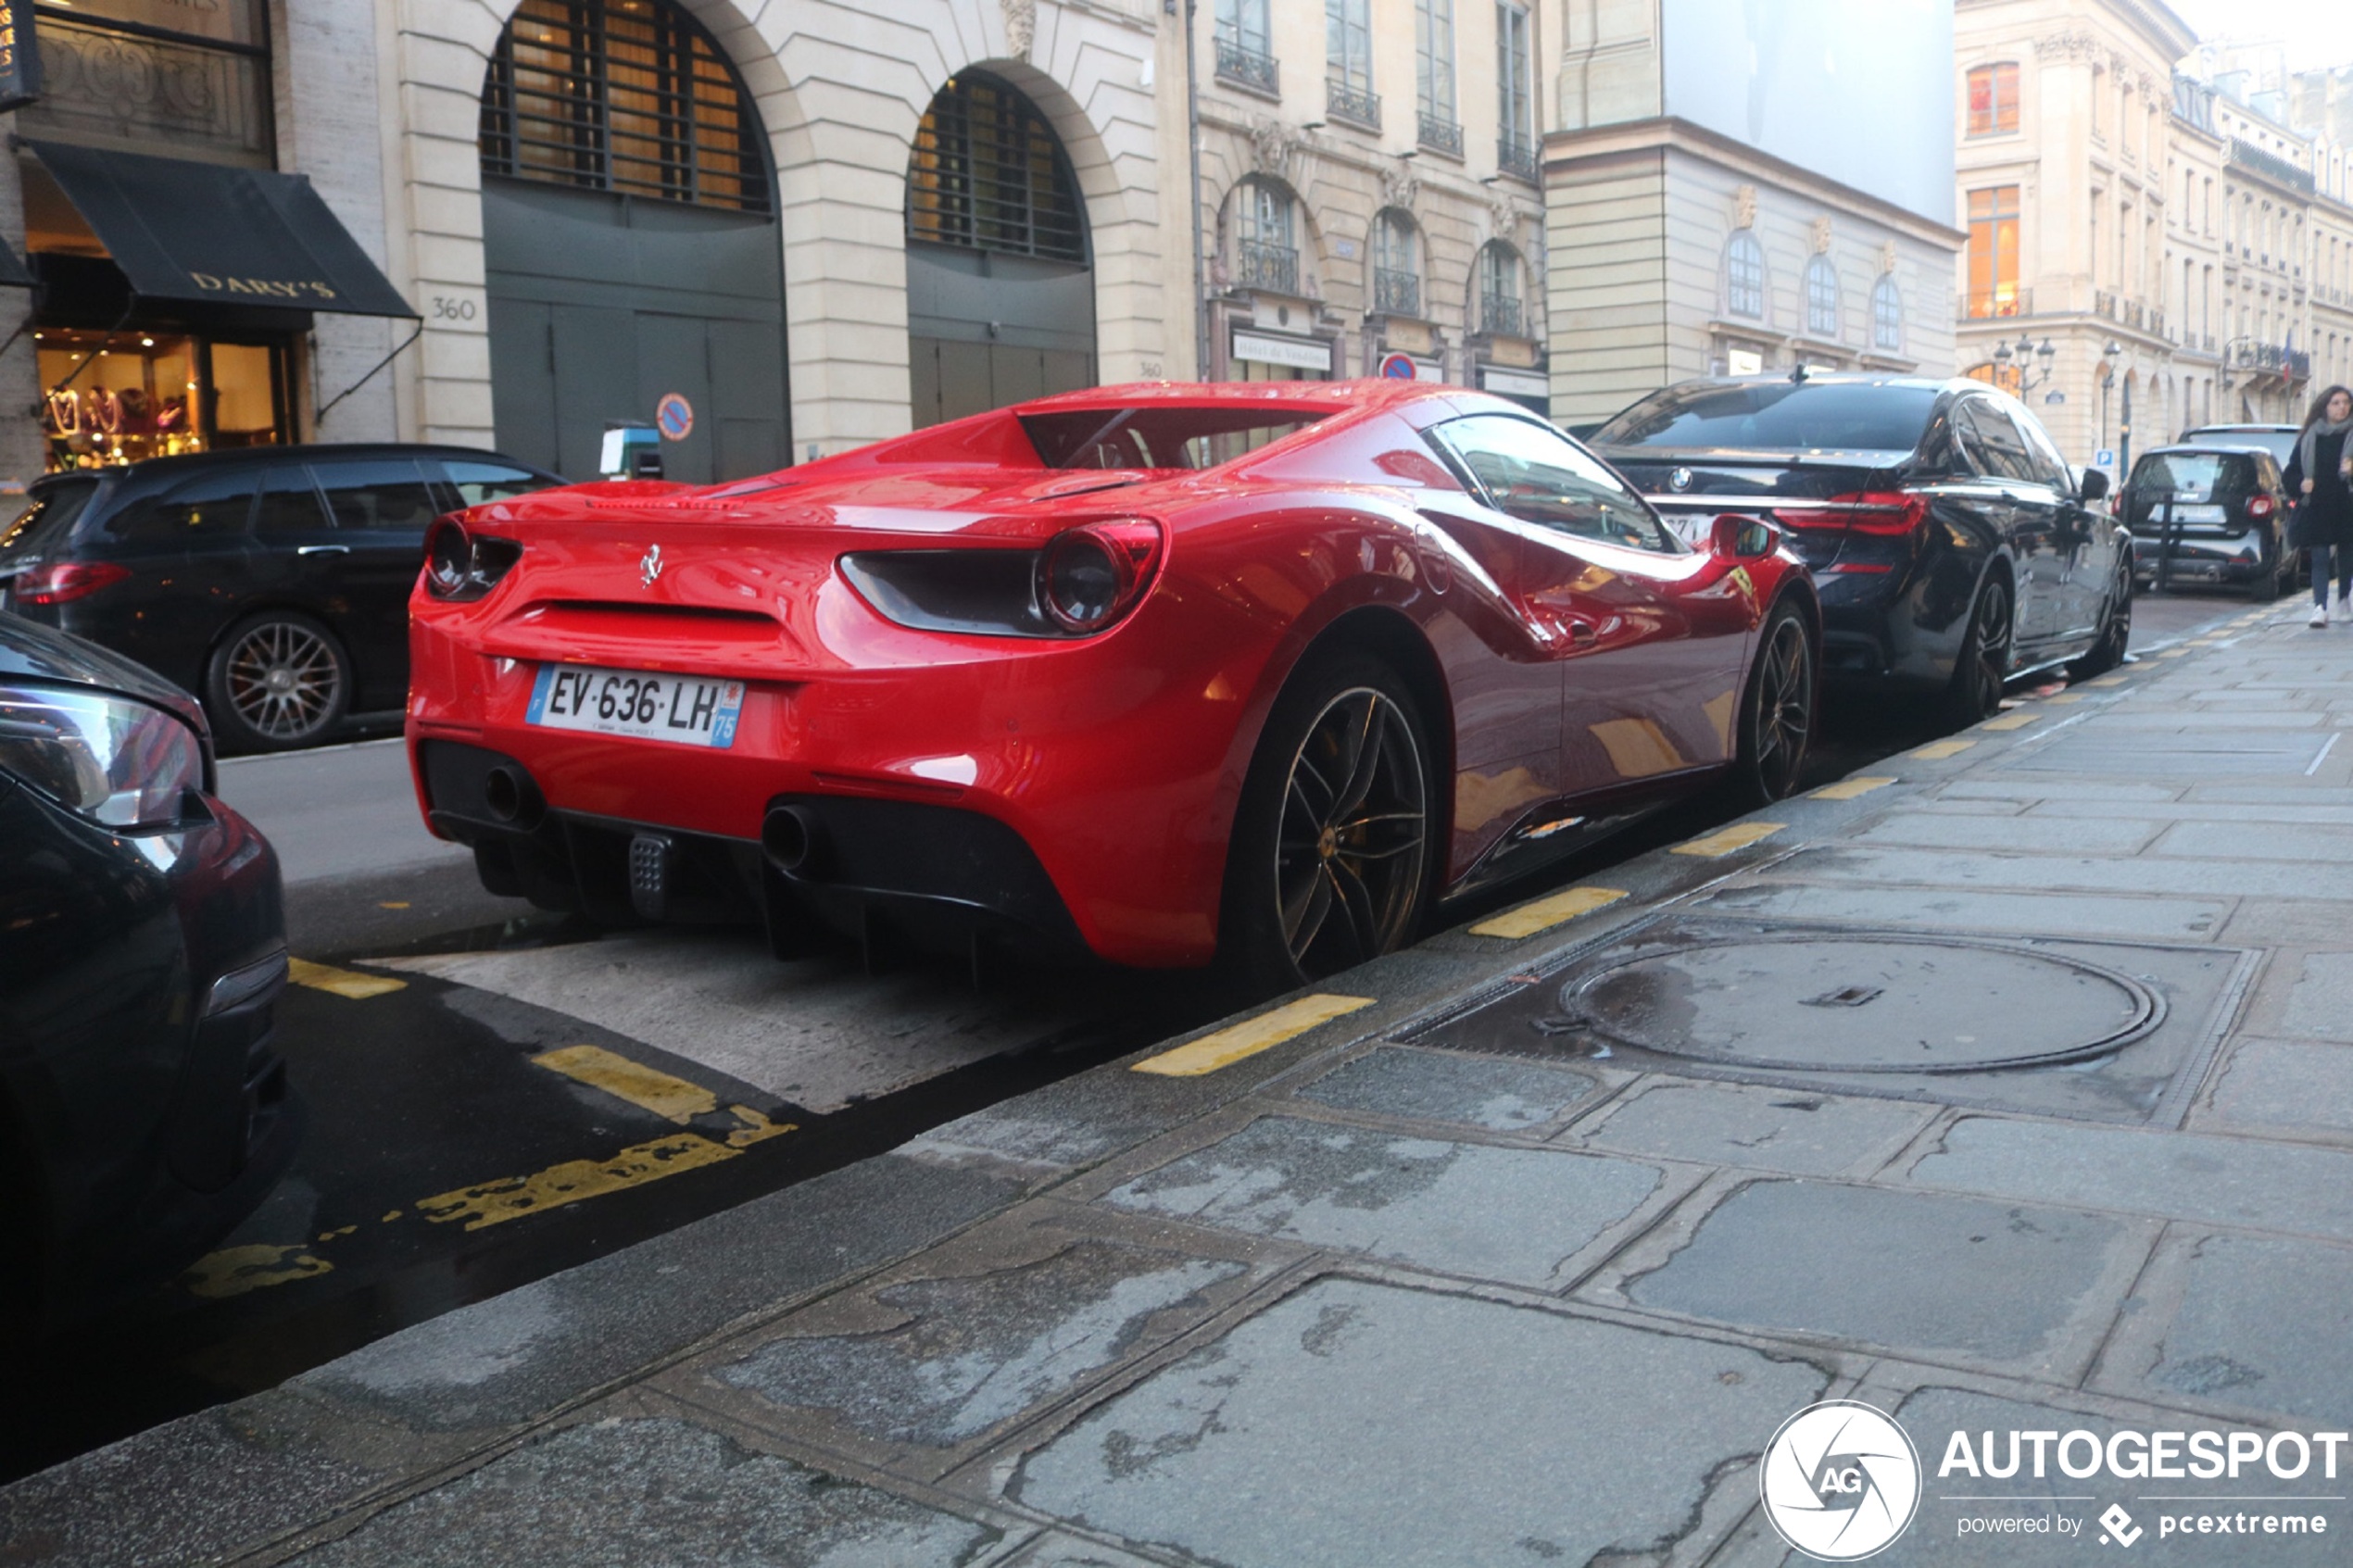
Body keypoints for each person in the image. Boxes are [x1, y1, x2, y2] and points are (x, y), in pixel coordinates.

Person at [2284, 383, 2353, 627]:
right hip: (2317, 506)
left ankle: (2344, 599)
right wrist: (2301, 485)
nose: (2342, 407)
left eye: (2346, 402)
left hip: (2347, 505)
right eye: (2336, 403)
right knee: (2320, 557)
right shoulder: (2309, 436)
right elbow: (2290, 474)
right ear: (2325, 406)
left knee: (2347, 557)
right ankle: (2320, 607)